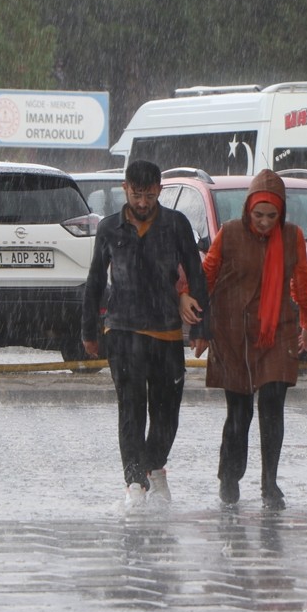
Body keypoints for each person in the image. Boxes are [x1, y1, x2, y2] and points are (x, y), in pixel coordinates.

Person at [82, 159, 209, 508]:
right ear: (125, 189)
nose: (142, 203)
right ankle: (135, 480)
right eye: (136, 195)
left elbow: (197, 275)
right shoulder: (109, 229)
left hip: (167, 332)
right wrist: (89, 330)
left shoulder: (176, 225)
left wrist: (202, 326)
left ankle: (155, 466)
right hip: (122, 331)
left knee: (167, 412)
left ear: (159, 192)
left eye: (149, 195)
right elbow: (94, 281)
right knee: (131, 409)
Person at [193, 170, 307, 509]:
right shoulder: (230, 233)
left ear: (282, 214)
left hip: (277, 330)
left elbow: (303, 281)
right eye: (258, 215)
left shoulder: (292, 237)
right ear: (248, 209)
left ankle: (270, 483)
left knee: (272, 405)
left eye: (271, 216)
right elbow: (207, 276)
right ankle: (230, 478)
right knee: (239, 412)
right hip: (232, 332)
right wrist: (200, 326)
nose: (264, 222)